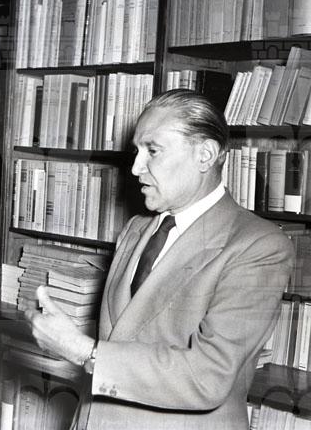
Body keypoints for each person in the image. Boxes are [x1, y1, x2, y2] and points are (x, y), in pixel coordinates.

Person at [25, 89, 294, 429]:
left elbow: (208, 376)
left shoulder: (258, 246)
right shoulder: (136, 230)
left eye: (152, 151)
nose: (136, 168)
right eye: (137, 151)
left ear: (205, 155)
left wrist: (83, 350)